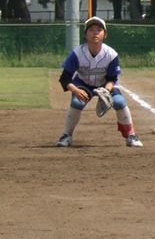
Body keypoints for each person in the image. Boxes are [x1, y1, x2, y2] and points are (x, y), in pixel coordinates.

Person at [55, 16, 144, 148]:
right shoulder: (77, 53)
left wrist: (106, 90)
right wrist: (75, 90)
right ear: (85, 34)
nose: (95, 32)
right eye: (91, 30)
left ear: (105, 35)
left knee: (119, 102)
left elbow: (113, 78)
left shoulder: (111, 54)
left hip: (105, 84)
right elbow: (65, 78)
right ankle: (66, 135)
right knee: (76, 102)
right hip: (83, 84)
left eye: (99, 30)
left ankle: (130, 135)